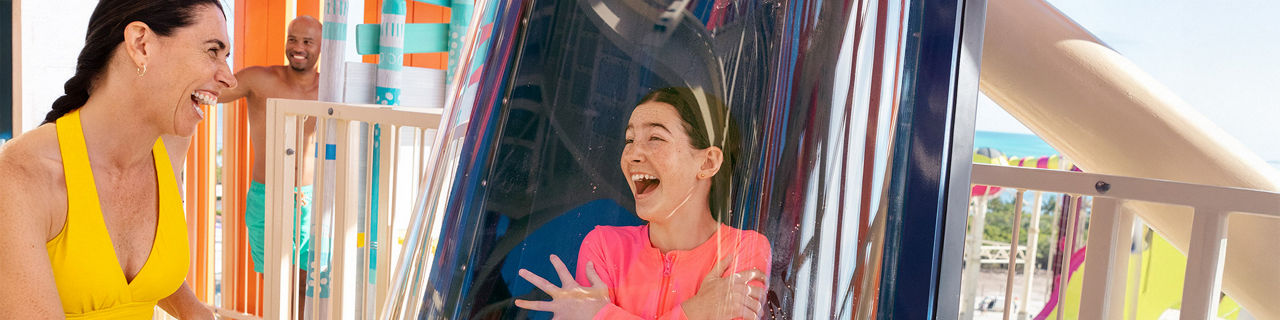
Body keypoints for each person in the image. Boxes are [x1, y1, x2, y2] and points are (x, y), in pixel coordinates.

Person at [0, 0, 236, 318]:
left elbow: (131, 271)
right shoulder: (20, 176)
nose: (230, 79)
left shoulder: (170, 145)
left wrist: (195, 311)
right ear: (141, 44)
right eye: (212, 51)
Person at [515, 87, 772, 319]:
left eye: (655, 138)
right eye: (630, 140)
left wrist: (601, 314)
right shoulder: (603, 246)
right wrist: (695, 311)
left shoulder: (744, 250)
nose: (632, 154)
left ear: (708, 163)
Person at [216, 16, 322, 291]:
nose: (298, 47)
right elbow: (211, 93)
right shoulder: (258, 79)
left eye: (307, 41)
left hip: (310, 200)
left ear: (321, 46)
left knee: (305, 284)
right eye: (293, 39)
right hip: (267, 197)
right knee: (276, 285)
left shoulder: (330, 89)